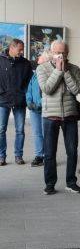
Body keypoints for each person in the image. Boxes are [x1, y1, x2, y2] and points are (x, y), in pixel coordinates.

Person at [37, 40, 80, 195]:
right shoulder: (42, 68)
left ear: (68, 53)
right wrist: (57, 71)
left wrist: (65, 72)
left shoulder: (74, 69)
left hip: (70, 115)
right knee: (49, 153)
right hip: (50, 116)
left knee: (72, 151)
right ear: (51, 52)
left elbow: (77, 89)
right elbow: (47, 89)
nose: (61, 55)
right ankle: (50, 183)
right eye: (57, 52)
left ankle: (71, 182)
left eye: (63, 52)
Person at [0, 38, 32, 166]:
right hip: (2, 100)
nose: (22, 52)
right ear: (11, 48)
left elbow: (29, 82)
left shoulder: (26, 63)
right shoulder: (0, 60)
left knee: (20, 130)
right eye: (20, 50)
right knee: (1, 129)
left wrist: (23, 94)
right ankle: (1, 156)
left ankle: (18, 155)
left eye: (22, 49)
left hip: (19, 100)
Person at [26, 51, 51, 167]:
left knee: (47, 134)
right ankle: (39, 156)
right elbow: (29, 88)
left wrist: (38, 104)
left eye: (40, 55)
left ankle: (49, 156)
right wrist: (29, 101)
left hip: (45, 108)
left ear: (46, 59)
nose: (38, 57)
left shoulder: (49, 72)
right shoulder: (36, 72)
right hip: (33, 109)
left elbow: (49, 92)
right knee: (37, 133)